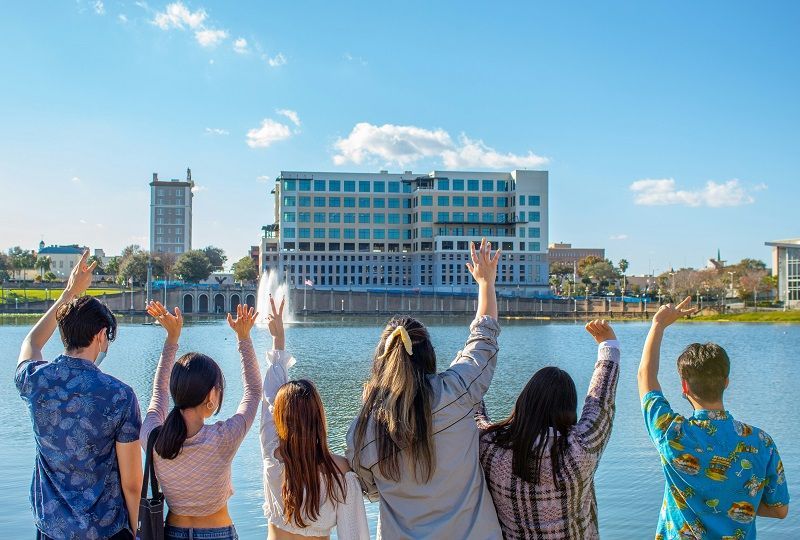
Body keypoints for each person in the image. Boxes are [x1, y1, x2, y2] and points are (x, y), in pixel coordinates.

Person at [347, 237, 503, 539]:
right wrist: (486, 283)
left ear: (381, 363)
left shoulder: (363, 431)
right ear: (429, 355)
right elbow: (483, 338)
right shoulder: (457, 391)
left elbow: (369, 490)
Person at [15, 251, 142, 540]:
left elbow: (31, 341)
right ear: (100, 335)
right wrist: (136, 532)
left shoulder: (36, 381)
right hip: (106, 530)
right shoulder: (120, 395)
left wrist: (69, 293)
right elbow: (132, 483)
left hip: (51, 530)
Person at [638, 296, 790, 539]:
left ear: (684, 386)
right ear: (726, 382)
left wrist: (658, 325)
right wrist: (733, 506)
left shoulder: (671, 432)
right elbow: (780, 510)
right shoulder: (761, 442)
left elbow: (645, 378)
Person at [475, 319, 620, 539]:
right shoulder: (580, 449)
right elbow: (600, 401)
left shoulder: (490, 447)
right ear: (569, 409)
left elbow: (472, 404)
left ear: (524, 401)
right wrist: (607, 344)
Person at [140, 302, 263, 540]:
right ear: (210, 396)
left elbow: (159, 393)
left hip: (171, 533)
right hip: (217, 533)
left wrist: (172, 339)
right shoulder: (224, 438)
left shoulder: (153, 438)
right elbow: (254, 391)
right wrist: (244, 338)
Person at [260, 296, 370, 539]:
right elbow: (354, 534)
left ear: (280, 420)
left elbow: (270, 399)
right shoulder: (339, 471)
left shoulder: (274, 457)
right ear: (319, 419)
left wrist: (278, 341)